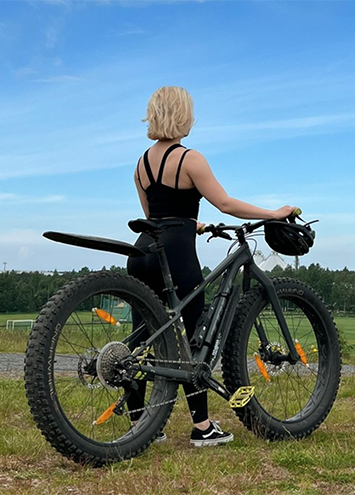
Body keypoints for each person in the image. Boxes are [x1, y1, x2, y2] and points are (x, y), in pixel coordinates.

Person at [126, 86, 297, 447]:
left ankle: (140, 424)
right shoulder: (190, 159)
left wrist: (194, 224)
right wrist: (273, 213)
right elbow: (225, 204)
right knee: (195, 339)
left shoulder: (141, 164)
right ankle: (202, 427)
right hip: (176, 254)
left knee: (142, 339)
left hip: (142, 250)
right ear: (182, 116)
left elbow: (155, 215)